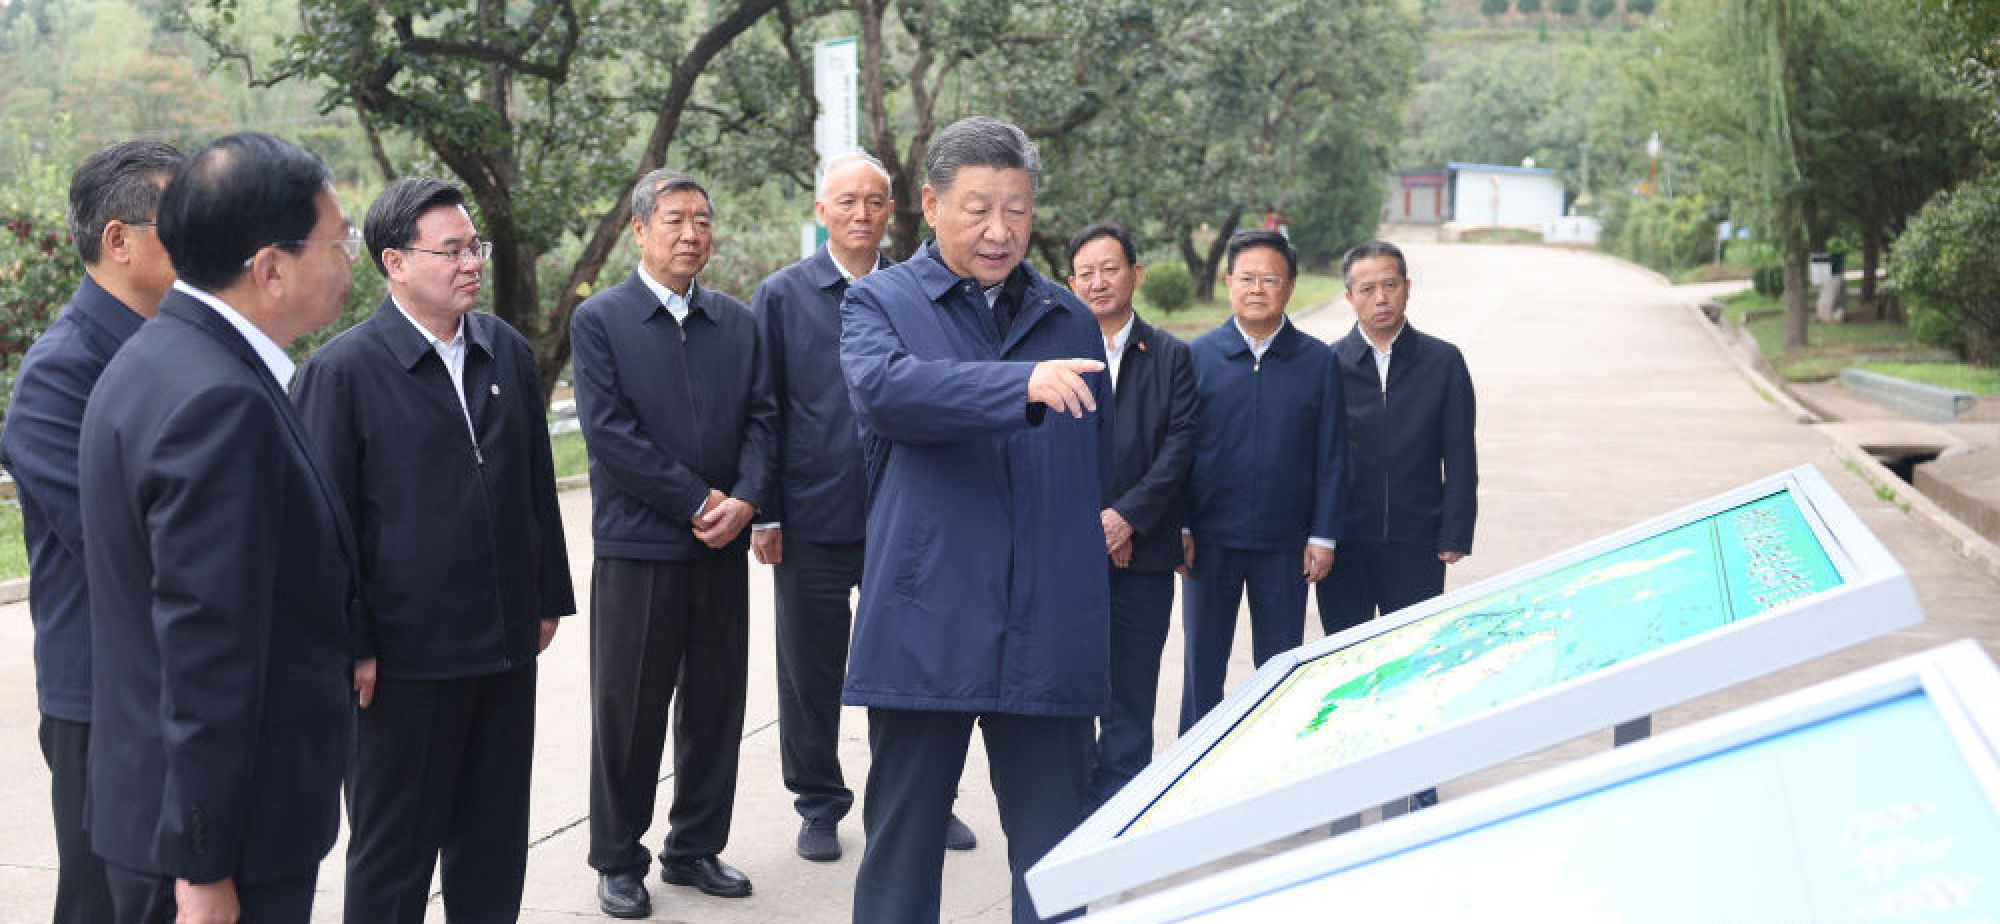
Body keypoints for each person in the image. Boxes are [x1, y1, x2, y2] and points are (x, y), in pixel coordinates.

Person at [76, 132, 359, 923]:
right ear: (270, 267)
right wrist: (204, 868)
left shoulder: (156, 360)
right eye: (338, 242)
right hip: (222, 843)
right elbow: (206, 652)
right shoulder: (220, 402)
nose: (349, 263)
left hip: (173, 818)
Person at [840, 115, 1112, 924]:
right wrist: (1017, 386)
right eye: (980, 208)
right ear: (930, 204)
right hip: (930, 616)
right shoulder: (877, 303)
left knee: (1058, 853)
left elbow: (1092, 461)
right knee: (902, 846)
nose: (1001, 231)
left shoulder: (1066, 315)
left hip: (1047, 624)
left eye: (1019, 210)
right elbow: (890, 394)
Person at [291, 176, 575, 922]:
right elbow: (323, 527)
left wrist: (547, 597)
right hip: (403, 665)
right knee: (395, 854)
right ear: (395, 262)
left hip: (505, 649)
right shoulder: (341, 372)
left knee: (492, 843)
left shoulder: (503, 351)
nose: (471, 263)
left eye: (473, 247)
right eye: (451, 250)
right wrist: (351, 643)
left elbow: (535, 485)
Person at [748, 151, 977, 863]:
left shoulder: (921, 291)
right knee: (810, 669)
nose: (860, 214)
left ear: (893, 212)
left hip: (905, 515)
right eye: (845, 202)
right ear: (821, 214)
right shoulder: (781, 295)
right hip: (812, 518)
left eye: (874, 202)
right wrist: (766, 510)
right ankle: (819, 802)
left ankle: (920, 797)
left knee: (913, 663)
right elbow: (764, 409)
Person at [571, 168, 775, 919]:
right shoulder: (601, 320)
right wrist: (696, 500)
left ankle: (694, 847)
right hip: (640, 548)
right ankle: (618, 858)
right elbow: (612, 435)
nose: (692, 234)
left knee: (717, 704)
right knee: (630, 712)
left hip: (721, 544)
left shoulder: (736, 321)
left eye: (703, 221)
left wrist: (746, 499)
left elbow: (763, 418)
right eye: (676, 220)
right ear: (640, 230)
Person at [0, 139, 183, 924]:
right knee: (110, 903)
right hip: (108, 699)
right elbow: (121, 545)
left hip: (191, 683)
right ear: (119, 240)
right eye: (183, 224)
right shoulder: (60, 373)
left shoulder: (182, 349)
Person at [1322, 240, 1475, 814]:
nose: (1380, 298)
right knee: (1350, 661)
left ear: (1408, 287)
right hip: (1347, 542)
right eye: (1367, 288)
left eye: (1390, 285)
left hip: (1417, 540)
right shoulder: (1329, 365)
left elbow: (1460, 453)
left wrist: (1454, 530)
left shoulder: (1442, 361)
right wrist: (1319, 534)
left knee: (1418, 661)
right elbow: (1318, 459)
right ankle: (1352, 770)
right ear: (1349, 297)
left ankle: (1419, 773)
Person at [1180, 230, 1344, 733]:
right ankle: (1191, 776)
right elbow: (1177, 452)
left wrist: (1322, 534)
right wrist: (1181, 525)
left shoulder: (1318, 362)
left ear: (1290, 287)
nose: (1257, 288)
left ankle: (1270, 770)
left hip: (1286, 545)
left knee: (1278, 669)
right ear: (1229, 283)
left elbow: (1332, 454)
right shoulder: (1197, 357)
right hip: (1209, 542)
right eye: (1247, 278)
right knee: (1201, 667)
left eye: (1270, 279)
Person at [1065, 221, 1197, 809]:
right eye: (1086, 273)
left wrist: (1126, 518)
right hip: (1069, 550)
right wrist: (1094, 523)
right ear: (1072, 284)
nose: (1099, 282)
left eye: (1110, 269)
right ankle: (1067, 799)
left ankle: (1117, 805)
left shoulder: (1171, 356)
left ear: (1136, 274)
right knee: (1071, 680)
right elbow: (1048, 448)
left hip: (1146, 550)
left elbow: (1180, 447)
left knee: (1133, 686)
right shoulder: (1056, 354)